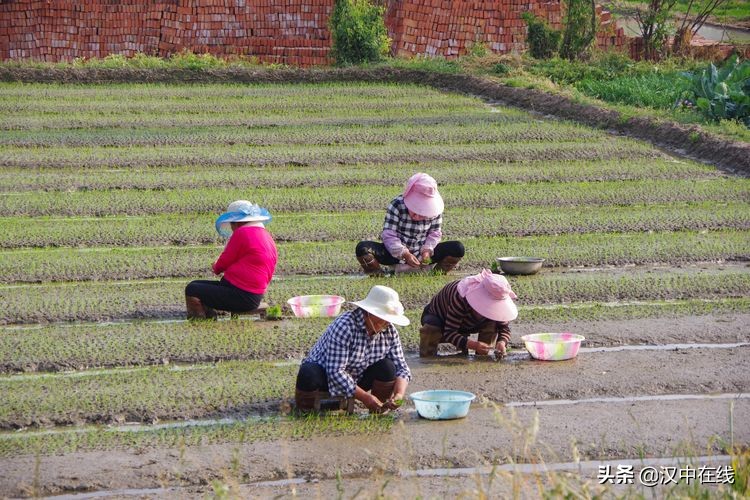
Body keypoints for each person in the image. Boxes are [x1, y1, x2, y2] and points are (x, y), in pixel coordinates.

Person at [295, 285, 411, 413]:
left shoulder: (389, 330)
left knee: (388, 367)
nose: (385, 325)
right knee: (308, 372)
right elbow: (336, 372)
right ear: (368, 313)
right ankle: (307, 411)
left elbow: (402, 368)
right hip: (324, 377)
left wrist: (399, 394)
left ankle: (380, 408)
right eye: (382, 321)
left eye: (387, 321)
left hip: (356, 378)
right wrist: (365, 398)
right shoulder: (345, 326)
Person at [356, 172, 464, 275]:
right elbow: (389, 235)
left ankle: (435, 274)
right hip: (395, 254)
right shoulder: (397, 205)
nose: (418, 216)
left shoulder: (435, 210)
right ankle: (378, 276)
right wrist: (405, 254)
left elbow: (434, 234)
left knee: (457, 248)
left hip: (422, 253)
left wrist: (427, 251)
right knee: (363, 248)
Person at [185, 200, 277, 319]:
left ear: (236, 223)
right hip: (253, 293)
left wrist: (215, 266)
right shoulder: (265, 235)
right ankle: (210, 316)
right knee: (196, 284)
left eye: (231, 225)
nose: (232, 229)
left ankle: (201, 321)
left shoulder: (242, 233)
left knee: (192, 289)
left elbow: (224, 262)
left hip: (243, 295)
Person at [419, 269, 518, 358]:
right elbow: (449, 332)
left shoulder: (497, 299)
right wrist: (473, 345)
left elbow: (504, 328)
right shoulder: (461, 296)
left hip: (470, 322)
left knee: (492, 325)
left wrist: (502, 342)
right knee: (431, 329)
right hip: (441, 319)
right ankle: (427, 356)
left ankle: (483, 355)